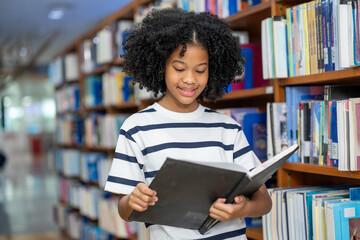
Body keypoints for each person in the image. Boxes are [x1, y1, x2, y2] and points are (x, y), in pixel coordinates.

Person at [104, 8, 272, 239]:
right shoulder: (136, 128)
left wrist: (242, 209)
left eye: (200, 70)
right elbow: (125, 210)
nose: (190, 79)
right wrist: (134, 200)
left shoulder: (227, 128)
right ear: (160, 65)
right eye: (179, 68)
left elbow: (264, 201)